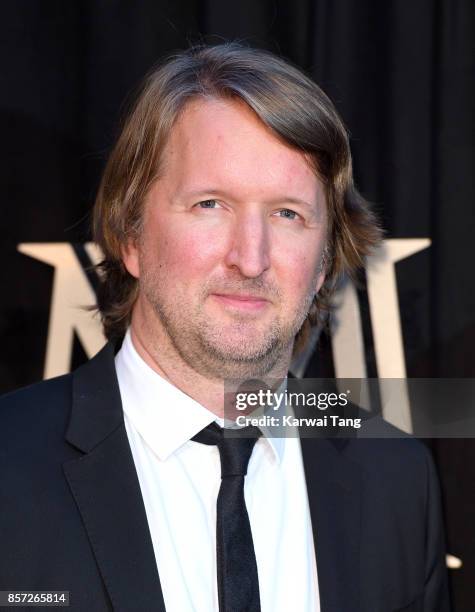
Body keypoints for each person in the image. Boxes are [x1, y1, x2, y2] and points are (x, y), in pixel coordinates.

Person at [0, 44, 450, 612]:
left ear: (324, 260)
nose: (251, 257)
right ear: (130, 236)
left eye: (288, 213)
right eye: (211, 204)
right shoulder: (8, 469)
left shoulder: (397, 482)